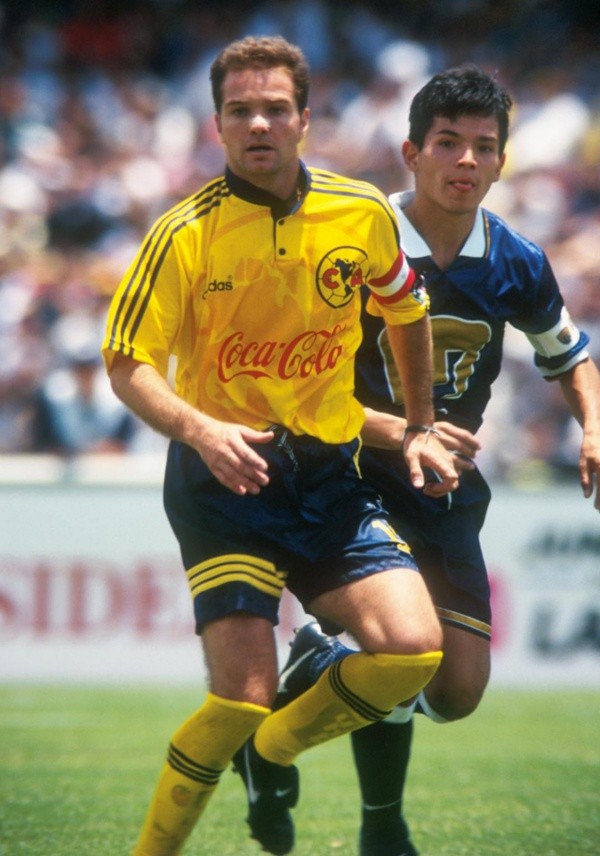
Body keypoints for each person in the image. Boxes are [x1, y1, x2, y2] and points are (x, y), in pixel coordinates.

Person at [101, 36, 460, 856]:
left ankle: (273, 752)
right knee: (237, 699)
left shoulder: (361, 212)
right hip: (224, 483)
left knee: (412, 655)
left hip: (330, 479)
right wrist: (199, 427)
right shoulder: (182, 234)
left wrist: (417, 422)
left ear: (304, 119)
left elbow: (406, 310)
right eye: (240, 110)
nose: (257, 123)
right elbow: (127, 365)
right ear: (218, 125)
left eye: (274, 109)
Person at [235, 64, 600, 856]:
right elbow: (293, 388)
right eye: (447, 143)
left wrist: (593, 425)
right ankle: (379, 826)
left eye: (483, 147)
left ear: (503, 161)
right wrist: (404, 433)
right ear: (410, 151)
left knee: (457, 690)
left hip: (445, 491)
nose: (465, 161)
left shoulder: (517, 261)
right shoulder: (344, 241)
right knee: (402, 648)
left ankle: (313, 664)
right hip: (344, 481)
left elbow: (568, 355)